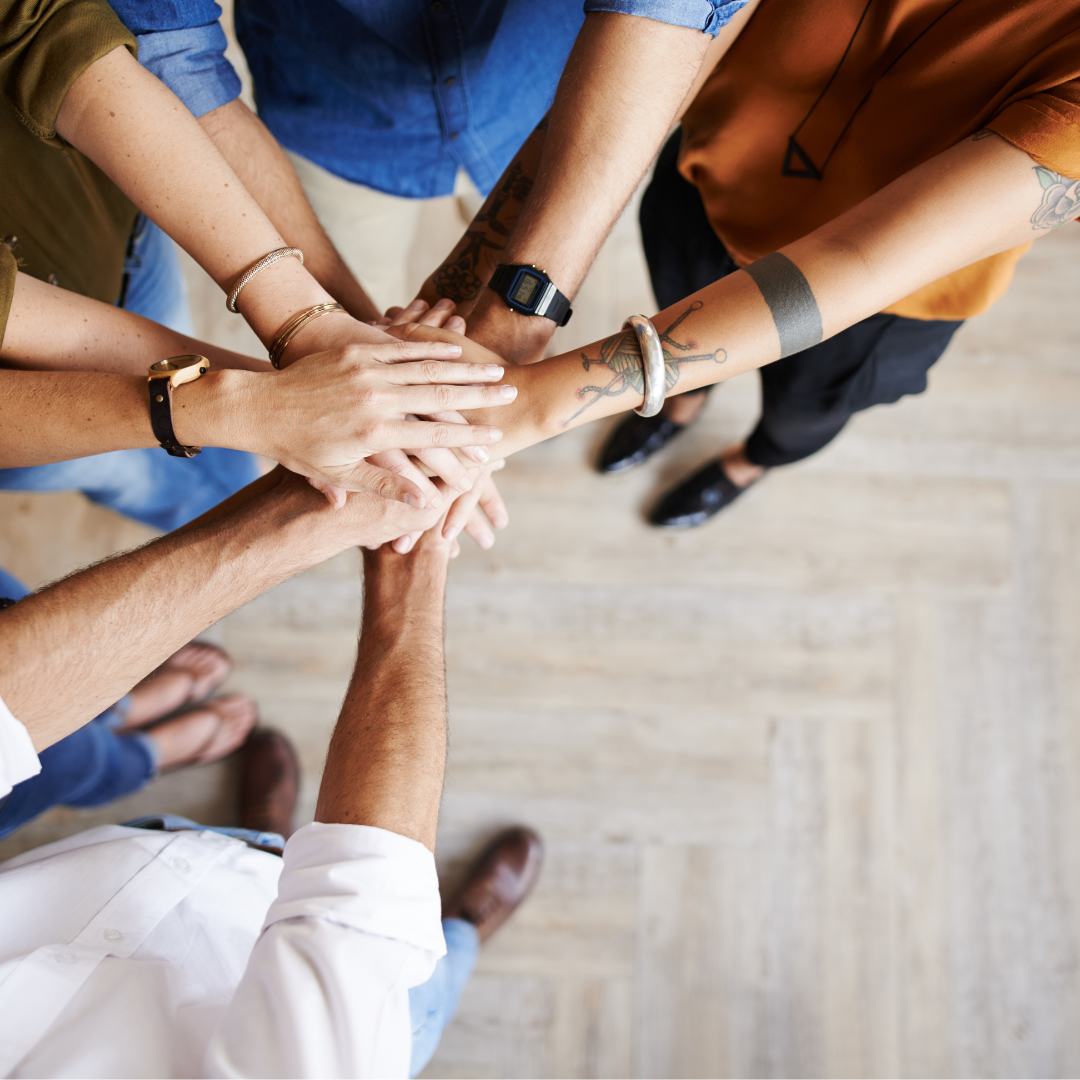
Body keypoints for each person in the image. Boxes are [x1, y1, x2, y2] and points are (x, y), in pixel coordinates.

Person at [419, 0, 1080, 528]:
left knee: (803, 414)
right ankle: (679, 408)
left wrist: (532, 405)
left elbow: (857, 260)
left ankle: (749, 462)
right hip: (709, 185)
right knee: (674, 302)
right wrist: (465, 294)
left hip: (887, 304)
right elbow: (672, 41)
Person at [0, 492, 542, 1078]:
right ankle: (464, 925)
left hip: (140, 860)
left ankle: (261, 834)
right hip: (369, 1006)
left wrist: (312, 513)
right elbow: (363, 909)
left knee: (90, 770)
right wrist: (412, 557)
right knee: (425, 970)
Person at [0, 0, 501, 528]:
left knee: (209, 464)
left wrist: (321, 352)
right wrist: (282, 397)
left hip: (106, 230)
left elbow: (43, 26)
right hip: (30, 410)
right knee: (128, 476)